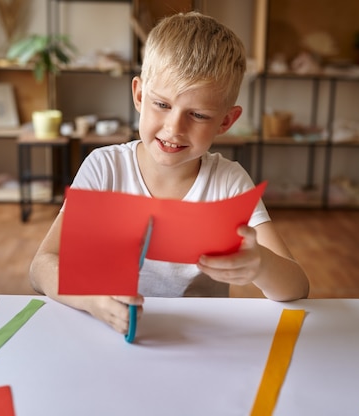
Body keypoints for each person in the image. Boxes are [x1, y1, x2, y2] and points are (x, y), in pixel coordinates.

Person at [29, 11, 309, 334]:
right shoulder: (104, 168)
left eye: (199, 115)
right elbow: (41, 268)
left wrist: (261, 264)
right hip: (111, 339)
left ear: (226, 122)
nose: (174, 128)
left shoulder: (230, 183)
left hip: (201, 345)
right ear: (138, 95)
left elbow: (298, 286)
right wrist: (92, 300)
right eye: (161, 105)